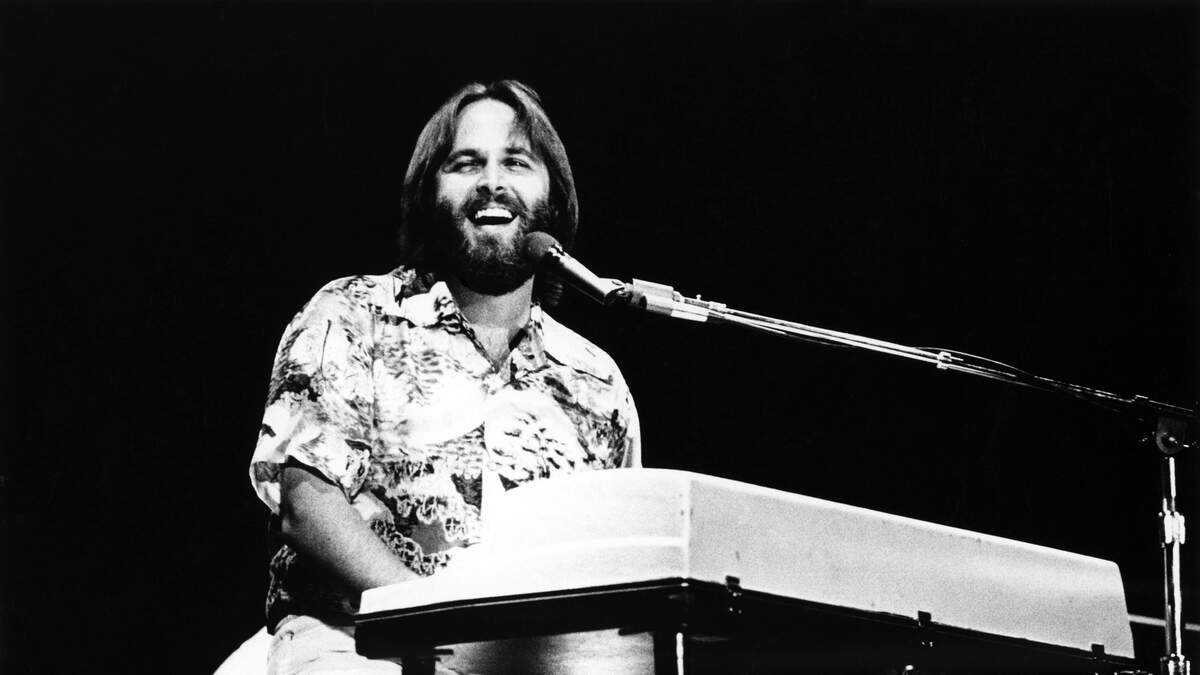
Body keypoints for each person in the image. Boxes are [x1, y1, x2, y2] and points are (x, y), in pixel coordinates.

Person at [247, 80, 641, 674]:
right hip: (358, 646)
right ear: (429, 195)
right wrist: (443, 626)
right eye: (466, 163)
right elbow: (309, 507)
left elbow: (620, 568)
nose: (492, 181)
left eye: (516, 162)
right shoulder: (353, 314)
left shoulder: (597, 381)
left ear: (554, 201)